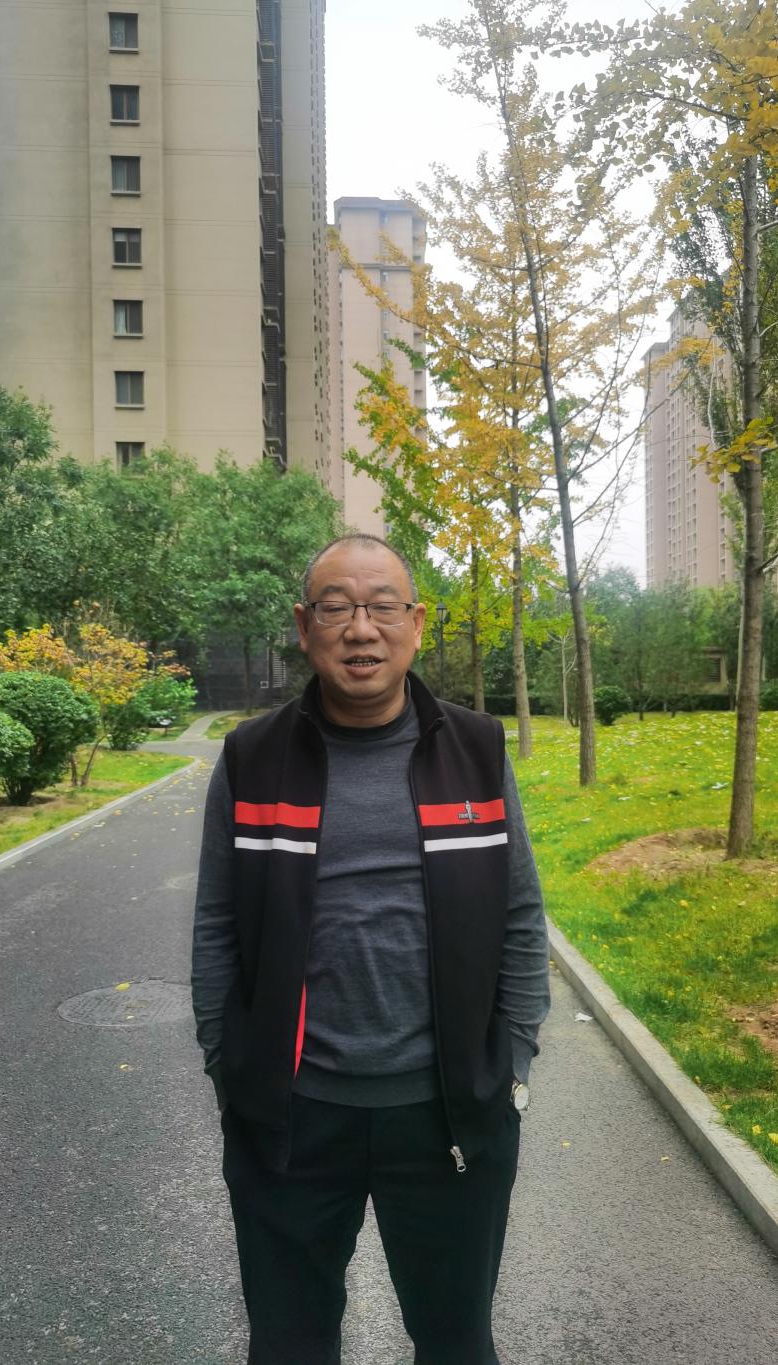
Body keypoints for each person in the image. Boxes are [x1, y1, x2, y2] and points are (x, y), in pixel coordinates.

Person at [191, 534, 550, 1365]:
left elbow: (521, 914)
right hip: (291, 1117)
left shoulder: (475, 751)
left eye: (382, 606)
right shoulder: (253, 759)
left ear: (416, 623)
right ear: (304, 626)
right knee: (289, 1343)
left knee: (457, 1342)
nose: (361, 628)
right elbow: (216, 924)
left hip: (447, 1113)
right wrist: (229, 1065)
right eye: (337, 607)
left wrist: (514, 1062)